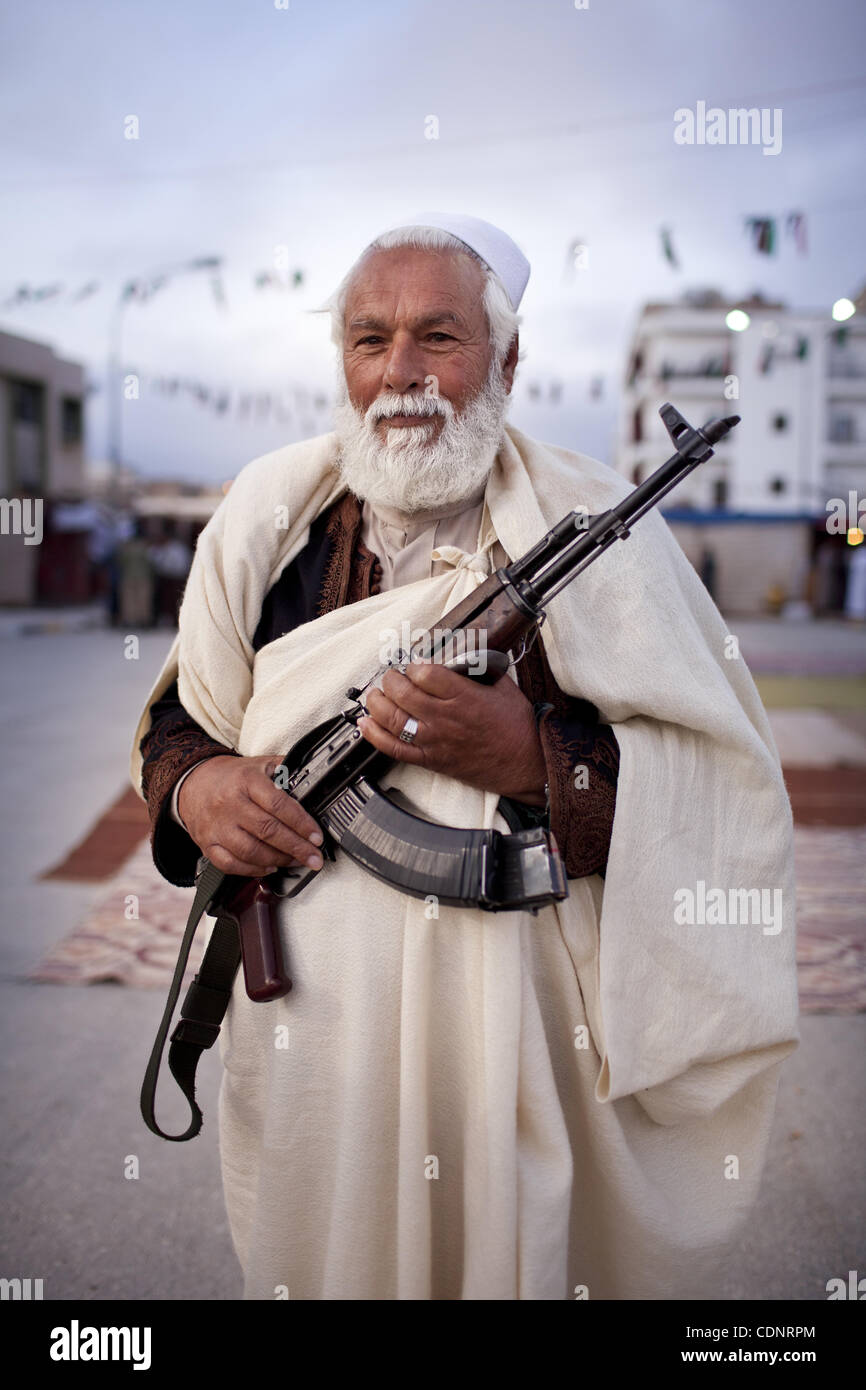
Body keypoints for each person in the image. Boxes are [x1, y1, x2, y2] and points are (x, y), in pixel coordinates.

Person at [131, 214, 799, 1300]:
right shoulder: (263, 523)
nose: (400, 373)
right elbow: (177, 724)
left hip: (516, 1040)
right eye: (367, 339)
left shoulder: (597, 531)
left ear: (507, 357)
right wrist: (202, 786)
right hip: (310, 1034)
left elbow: (723, 797)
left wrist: (530, 758)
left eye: (437, 336)